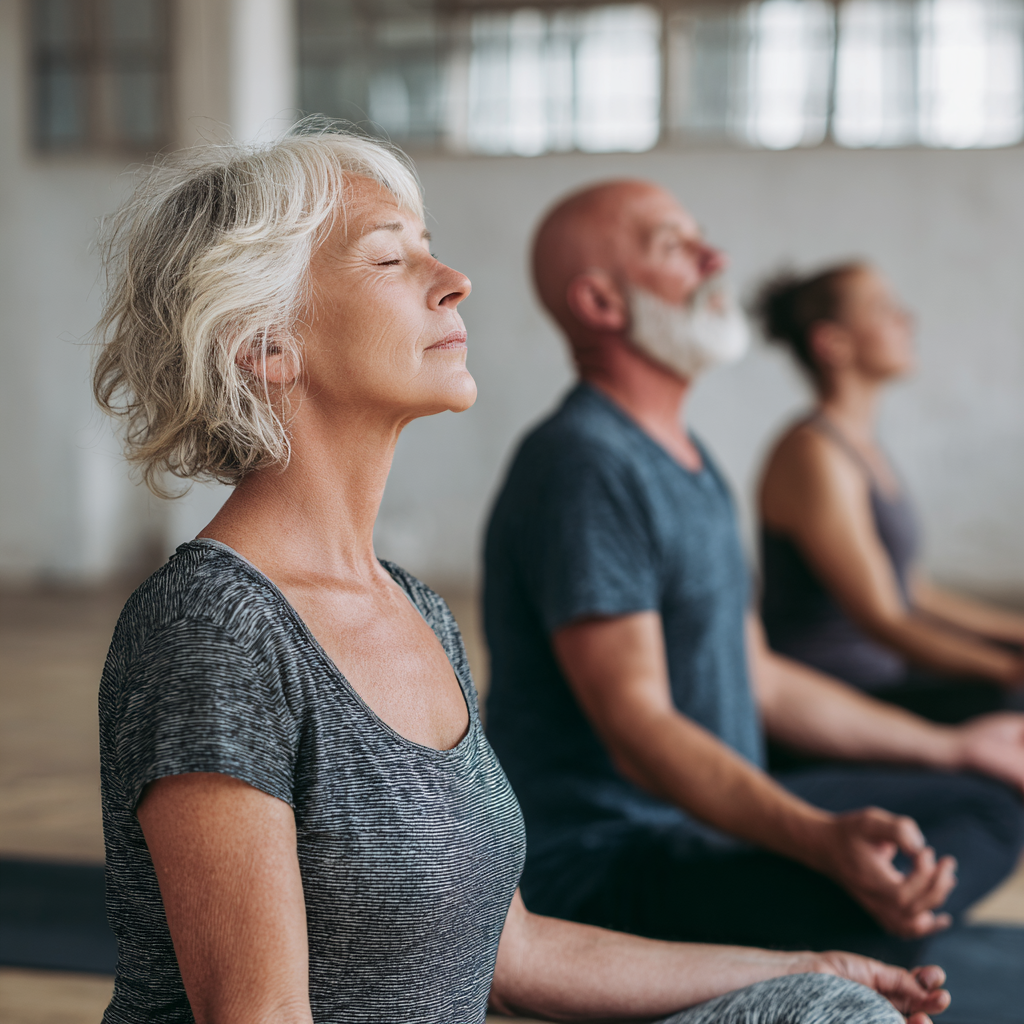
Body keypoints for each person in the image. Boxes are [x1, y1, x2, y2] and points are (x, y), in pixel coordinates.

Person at [88, 134, 945, 1024]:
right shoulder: (212, 629)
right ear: (263, 343)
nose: (452, 277)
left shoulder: (415, 609)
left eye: (429, 246)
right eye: (390, 256)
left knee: (823, 1006)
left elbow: (515, 955)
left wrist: (808, 967)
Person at [483, 178, 1024, 966]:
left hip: (708, 816)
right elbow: (640, 732)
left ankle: (856, 934)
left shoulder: (692, 463)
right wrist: (818, 840)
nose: (716, 257)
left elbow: (760, 679)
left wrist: (954, 747)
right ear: (601, 303)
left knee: (983, 798)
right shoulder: (584, 464)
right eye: (675, 246)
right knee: (952, 843)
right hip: (610, 861)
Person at [755, 263, 1024, 726]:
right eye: (883, 310)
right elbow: (882, 618)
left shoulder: (860, 445)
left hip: (885, 675)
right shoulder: (813, 455)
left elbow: (911, 590)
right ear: (831, 343)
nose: (907, 320)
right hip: (839, 695)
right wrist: (1010, 670)